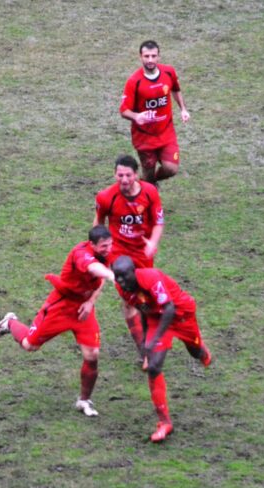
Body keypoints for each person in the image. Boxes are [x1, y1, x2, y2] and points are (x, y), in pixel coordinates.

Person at [0, 225, 115, 417]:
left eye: (110, 245)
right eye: (104, 246)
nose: (108, 249)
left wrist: (90, 302)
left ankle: (84, 400)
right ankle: (10, 323)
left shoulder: (108, 253)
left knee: (92, 355)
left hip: (83, 310)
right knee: (29, 345)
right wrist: (113, 275)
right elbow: (95, 269)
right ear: (92, 244)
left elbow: (99, 279)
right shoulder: (81, 254)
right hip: (61, 306)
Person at [112, 255, 212, 442]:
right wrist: (146, 339)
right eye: (117, 277)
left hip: (180, 314)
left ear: (134, 272)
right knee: (154, 367)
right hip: (156, 318)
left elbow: (170, 309)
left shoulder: (151, 278)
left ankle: (201, 350)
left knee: (195, 352)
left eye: (124, 276)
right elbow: (142, 308)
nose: (121, 281)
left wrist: (154, 338)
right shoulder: (122, 288)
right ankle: (164, 422)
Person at [94, 154, 163, 365]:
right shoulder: (106, 197)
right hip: (119, 255)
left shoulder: (150, 193)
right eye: (120, 175)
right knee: (129, 300)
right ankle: (144, 351)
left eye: (128, 175)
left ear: (136, 175)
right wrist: (98, 249)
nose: (124, 180)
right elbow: (98, 224)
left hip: (143, 254)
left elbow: (159, 222)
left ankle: (149, 340)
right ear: (115, 174)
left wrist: (152, 242)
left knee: (147, 299)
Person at [120, 40, 190, 185]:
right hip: (144, 137)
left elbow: (176, 89)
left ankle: (145, 184)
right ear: (140, 57)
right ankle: (149, 192)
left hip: (166, 132)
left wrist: (183, 109)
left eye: (153, 56)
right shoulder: (134, 81)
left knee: (171, 169)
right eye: (146, 56)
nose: (150, 60)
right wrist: (136, 116)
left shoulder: (169, 72)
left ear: (159, 56)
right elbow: (124, 110)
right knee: (148, 171)